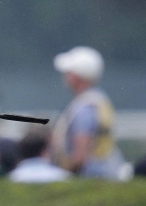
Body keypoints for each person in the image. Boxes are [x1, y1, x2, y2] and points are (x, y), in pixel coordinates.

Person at [49, 47, 129, 180]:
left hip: (92, 175)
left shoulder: (84, 108)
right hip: (106, 171)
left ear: (77, 76)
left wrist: (64, 173)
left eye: (69, 72)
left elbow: (80, 155)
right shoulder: (99, 99)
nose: (65, 76)